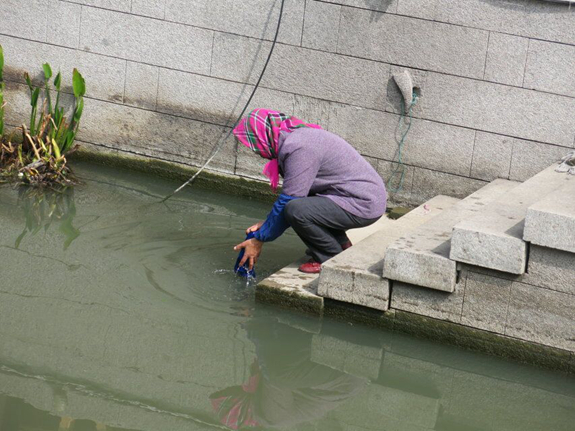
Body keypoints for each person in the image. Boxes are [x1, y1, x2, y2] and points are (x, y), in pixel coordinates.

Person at [233, 109, 387, 274]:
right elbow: (299, 191)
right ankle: (340, 242)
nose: (256, 151)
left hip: (364, 203)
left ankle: (329, 256)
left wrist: (259, 238)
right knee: (303, 202)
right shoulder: (297, 136)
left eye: (254, 145)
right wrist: (267, 224)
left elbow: (289, 200)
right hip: (359, 196)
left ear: (263, 137)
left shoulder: (298, 148)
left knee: (296, 210)